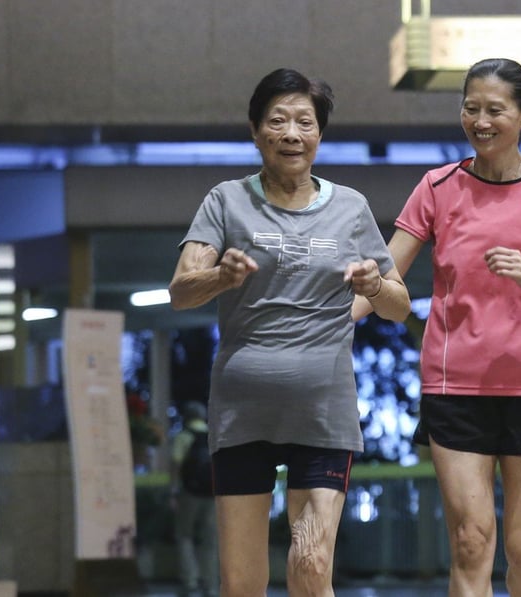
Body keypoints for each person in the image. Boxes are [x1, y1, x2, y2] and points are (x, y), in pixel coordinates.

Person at [364, 58, 521, 596]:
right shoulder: (437, 187)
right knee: (472, 540)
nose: (481, 120)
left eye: (495, 110)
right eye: (471, 108)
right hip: (454, 388)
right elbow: (387, 278)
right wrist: (337, 317)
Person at [168, 68, 411, 597]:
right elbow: (181, 290)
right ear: (256, 130)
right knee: (241, 582)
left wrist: (374, 281)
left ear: (320, 135)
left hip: (322, 411)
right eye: (277, 121)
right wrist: (220, 276)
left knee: (309, 564)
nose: (292, 133)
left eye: (305, 122)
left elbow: (398, 306)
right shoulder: (225, 200)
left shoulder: (350, 207)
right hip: (241, 411)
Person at [169, 401, 218, 597]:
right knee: (210, 541)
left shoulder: (183, 436)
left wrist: (173, 493)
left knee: (184, 536)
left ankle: (190, 583)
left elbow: (175, 466)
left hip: (189, 493)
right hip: (212, 495)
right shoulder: (213, 437)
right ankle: (211, 585)